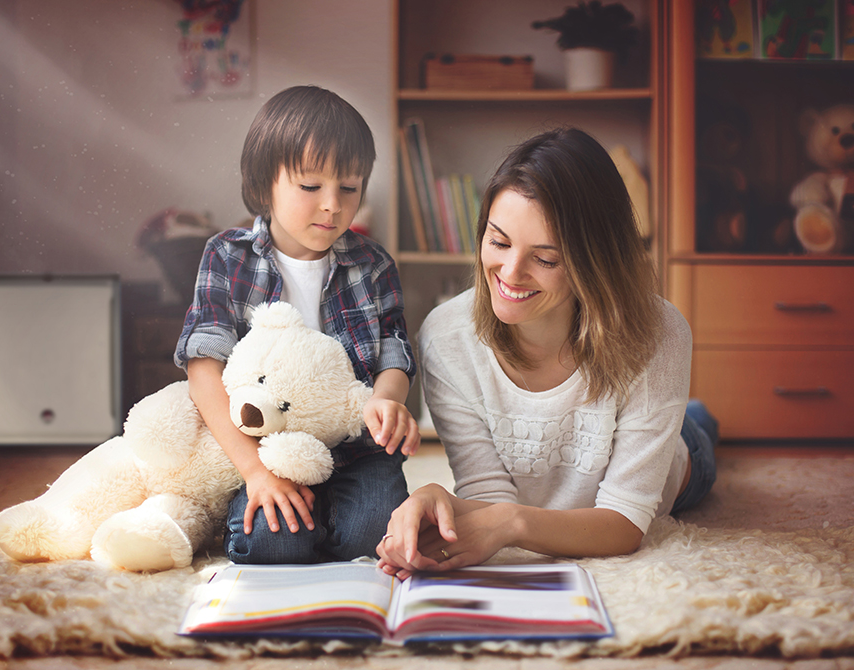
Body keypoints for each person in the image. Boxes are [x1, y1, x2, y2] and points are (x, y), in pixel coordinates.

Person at [376, 127, 718, 579]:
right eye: (498, 242)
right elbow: (491, 498)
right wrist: (436, 498)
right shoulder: (446, 335)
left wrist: (512, 523)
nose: (510, 273)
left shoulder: (660, 333)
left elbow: (625, 523)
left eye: (546, 259)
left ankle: (695, 419)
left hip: (680, 466)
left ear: (594, 262)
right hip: (555, 490)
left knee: (697, 431)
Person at [175, 85, 420, 564]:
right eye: (311, 187)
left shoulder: (373, 264)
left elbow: (395, 352)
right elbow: (203, 372)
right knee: (271, 541)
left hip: (358, 449)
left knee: (371, 536)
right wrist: (254, 472)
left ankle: (330, 519)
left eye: (349, 188)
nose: (332, 205)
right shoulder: (227, 256)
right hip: (270, 449)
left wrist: (387, 403)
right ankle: (295, 518)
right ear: (265, 183)